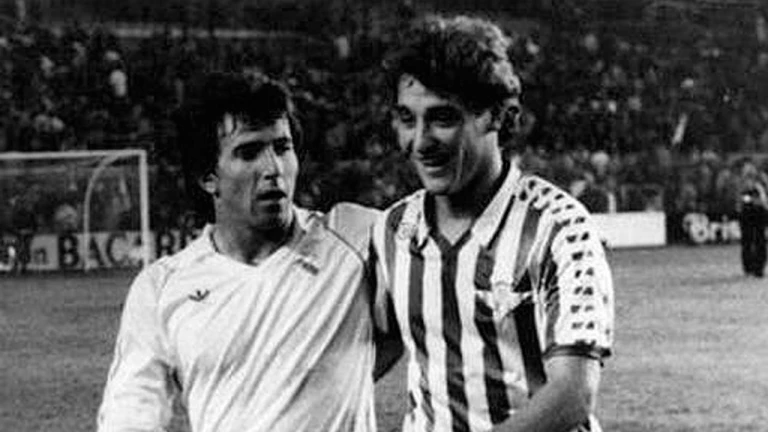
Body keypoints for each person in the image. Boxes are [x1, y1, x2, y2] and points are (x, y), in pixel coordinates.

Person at [97, 72, 397, 432]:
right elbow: (130, 413)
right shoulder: (162, 287)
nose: (273, 169)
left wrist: (349, 371)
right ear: (208, 176)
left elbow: (428, 311)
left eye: (282, 148)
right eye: (249, 152)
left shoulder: (356, 240)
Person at [372, 15, 615, 432]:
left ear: (499, 116)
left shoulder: (558, 227)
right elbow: (385, 341)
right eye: (408, 119)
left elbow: (573, 394)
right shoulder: (393, 229)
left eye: (443, 119)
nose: (421, 141)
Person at [736, 159, 768, 277]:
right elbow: (740, 199)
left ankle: (758, 268)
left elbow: (764, 199)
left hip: (759, 213)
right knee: (748, 241)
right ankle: (749, 267)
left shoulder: (761, 181)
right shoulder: (742, 184)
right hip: (747, 214)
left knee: (759, 240)